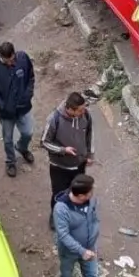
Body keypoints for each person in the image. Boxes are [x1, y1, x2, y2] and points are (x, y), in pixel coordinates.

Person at [53, 174, 114, 277]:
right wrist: (81, 251)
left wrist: (93, 237)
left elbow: (93, 218)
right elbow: (63, 235)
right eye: (89, 192)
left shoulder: (91, 200)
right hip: (69, 252)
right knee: (67, 275)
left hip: (90, 248)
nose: (92, 194)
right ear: (80, 196)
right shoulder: (61, 209)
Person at [41, 92, 94, 229]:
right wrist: (63, 150)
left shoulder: (86, 116)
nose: (84, 111)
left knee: (77, 191)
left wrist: (88, 155)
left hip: (79, 164)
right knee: (59, 194)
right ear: (70, 109)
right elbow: (44, 142)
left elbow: (88, 136)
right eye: (80, 110)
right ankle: (55, 215)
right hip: (60, 166)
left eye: (84, 108)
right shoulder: (54, 119)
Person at [0, 42, 36, 177]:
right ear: (1, 56)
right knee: (7, 139)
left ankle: (22, 148)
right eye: (7, 61)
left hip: (24, 107)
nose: (11, 63)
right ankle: (10, 161)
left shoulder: (23, 58)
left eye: (12, 60)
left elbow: (30, 77)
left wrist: (28, 94)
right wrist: (2, 104)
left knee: (28, 133)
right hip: (6, 112)